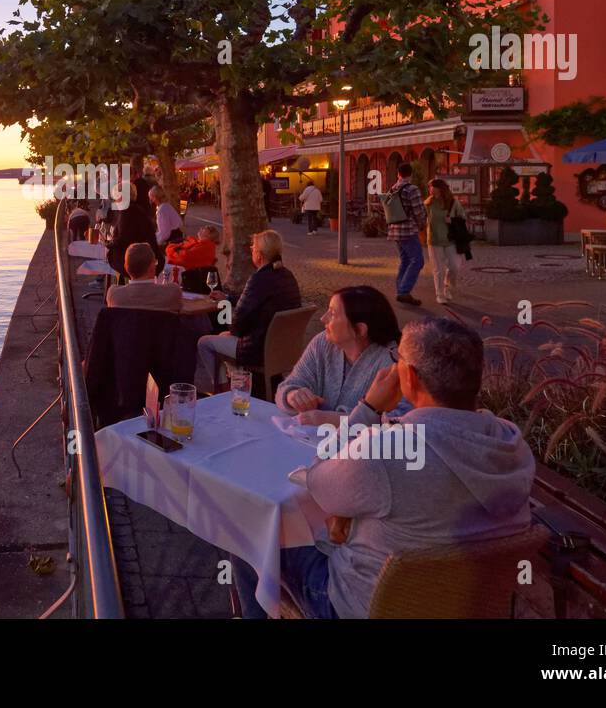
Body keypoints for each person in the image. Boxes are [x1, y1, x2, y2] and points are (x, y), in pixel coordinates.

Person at [234, 317, 535, 619]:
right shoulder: (511, 443)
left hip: (363, 606)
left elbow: (319, 478)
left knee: (247, 528)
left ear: (410, 378)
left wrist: (368, 408)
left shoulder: (387, 451)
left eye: (397, 360)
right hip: (465, 603)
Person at [275, 286, 405, 424]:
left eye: (332, 313)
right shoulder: (322, 342)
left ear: (360, 330)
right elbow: (287, 386)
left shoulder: (392, 364)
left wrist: (332, 420)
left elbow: (397, 422)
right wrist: (292, 395)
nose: (323, 318)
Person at [196, 230, 302, 391]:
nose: (251, 250)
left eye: (252, 248)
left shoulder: (258, 279)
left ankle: (223, 390)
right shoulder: (287, 276)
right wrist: (228, 299)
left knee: (204, 343)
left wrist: (227, 314)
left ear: (259, 255)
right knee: (223, 338)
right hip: (281, 348)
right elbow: (259, 303)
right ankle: (238, 383)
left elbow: (237, 326)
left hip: (255, 349)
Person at [385, 163, 427, 306]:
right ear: (411, 174)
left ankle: (401, 290)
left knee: (406, 260)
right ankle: (404, 291)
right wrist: (422, 224)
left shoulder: (393, 188)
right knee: (418, 260)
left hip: (395, 230)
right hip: (408, 230)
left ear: (398, 174)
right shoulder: (412, 189)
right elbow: (418, 210)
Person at [106, 242, 184, 313]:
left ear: (126, 267)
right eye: (155, 262)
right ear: (151, 267)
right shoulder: (172, 292)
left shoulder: (114, 295)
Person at [107, 184, 162, 279]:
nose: (115, 201)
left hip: (139, 261)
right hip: (149, 255)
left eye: (115, 198)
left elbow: (124, 240)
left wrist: (108, 244)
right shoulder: (137, 209)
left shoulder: (127, 212)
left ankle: (120, 286)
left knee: (110, 255)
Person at [424, 178, 466, 305]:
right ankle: (440, 294)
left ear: (439, 188)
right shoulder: (428, 203)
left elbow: (463, 217)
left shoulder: (453, 203)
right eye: (429, 187)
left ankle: (446, 287)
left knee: (454, 266)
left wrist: (452, 220)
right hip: (434, 239)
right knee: (438, 269)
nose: (430, 189)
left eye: (431, 186)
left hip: (451, 240)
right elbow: (422, 218)